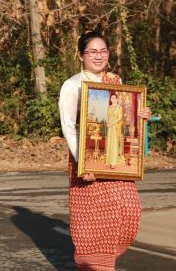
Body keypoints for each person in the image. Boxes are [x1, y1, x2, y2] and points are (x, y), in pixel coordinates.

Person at [59, 30, 151, 271]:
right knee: (93, 221)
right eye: (92, 52)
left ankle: (103, 260)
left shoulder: (116, 81)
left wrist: (139, 114)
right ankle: (96, 265)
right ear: (81, 56)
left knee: (130, 211)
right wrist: (83, 164)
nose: (98, 56)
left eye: (103, 51)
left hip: (116, 159)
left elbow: (124, 117)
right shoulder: (71, 85)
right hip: (86, 161)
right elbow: (69, 126)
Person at [105, 94, 123, 169]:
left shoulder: (119, 108)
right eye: (111, 98)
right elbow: (107, 117)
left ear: (116, 99)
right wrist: (107, 123)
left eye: (114, 98)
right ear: (110, 99)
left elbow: (119, 118)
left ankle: (113, 163)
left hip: (115, 127)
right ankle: (109, 161)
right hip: (110, 128)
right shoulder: (109, 108)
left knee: (114, 144)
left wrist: (112, 123)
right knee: (109, 143)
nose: (113, 99)